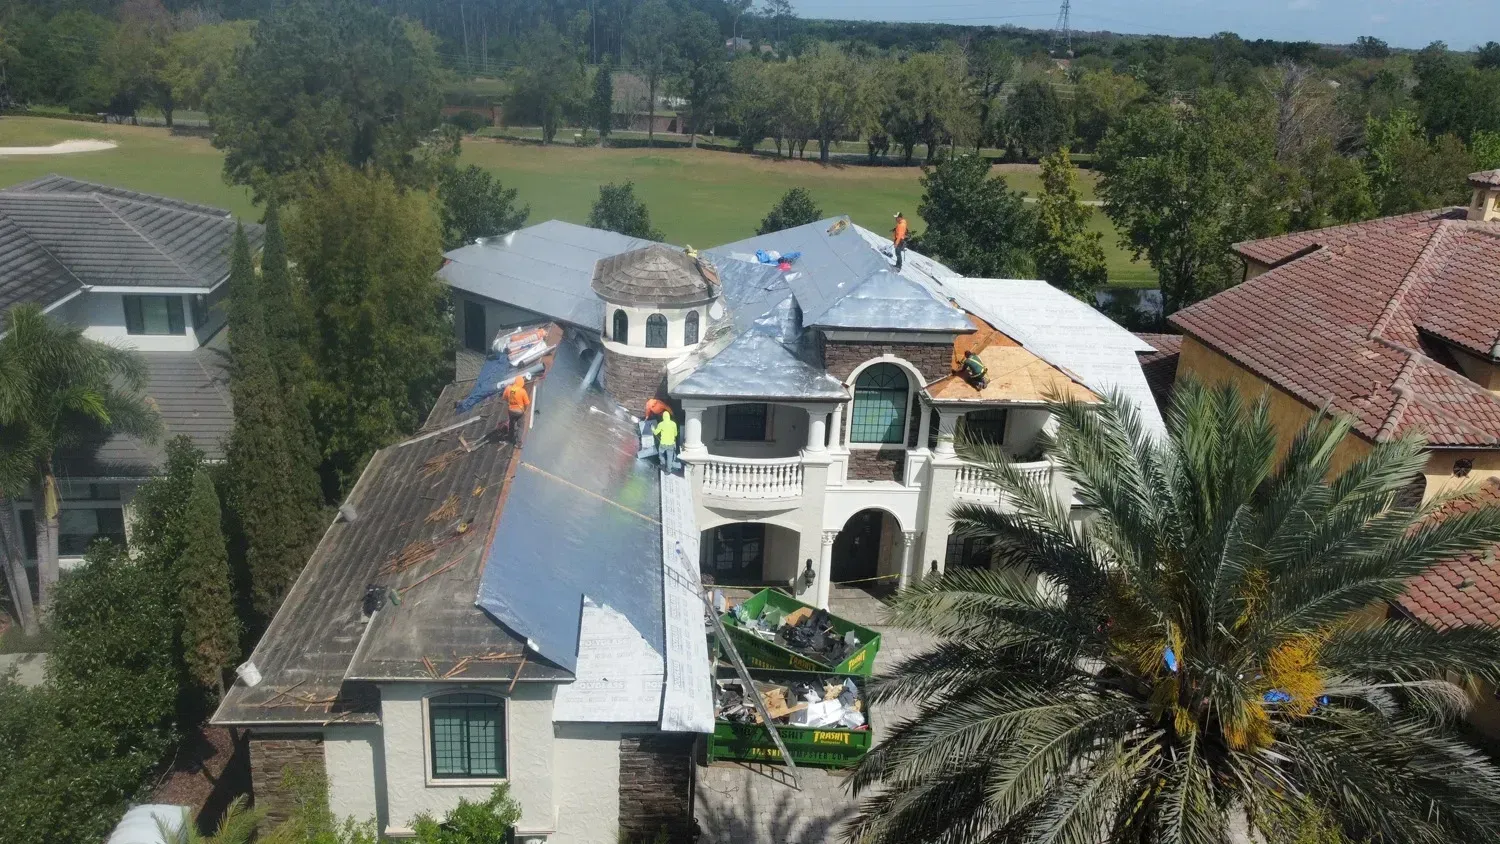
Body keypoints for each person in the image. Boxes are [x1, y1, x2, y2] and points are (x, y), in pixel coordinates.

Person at [502, 375, 531, 444]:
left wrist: (509, 403)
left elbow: (504, 398)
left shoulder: (508, 388)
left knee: (511, 425)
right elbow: (527, 403)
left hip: (511, 411)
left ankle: (509, 439)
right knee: (521, 426)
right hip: (519, 412)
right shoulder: (522, 391)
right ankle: (518, 443)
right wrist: (525, 410)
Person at [653, 409, 680, 474]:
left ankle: (663, 464)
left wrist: (653, 429)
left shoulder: (661, 424)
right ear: (669, 417)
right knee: (670, 457)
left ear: (663, 417)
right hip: (671, 444)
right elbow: (675, 434)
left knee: (661, 455)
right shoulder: (673, 424)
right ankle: (668, 470)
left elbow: (656, 433)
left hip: (663, 444)